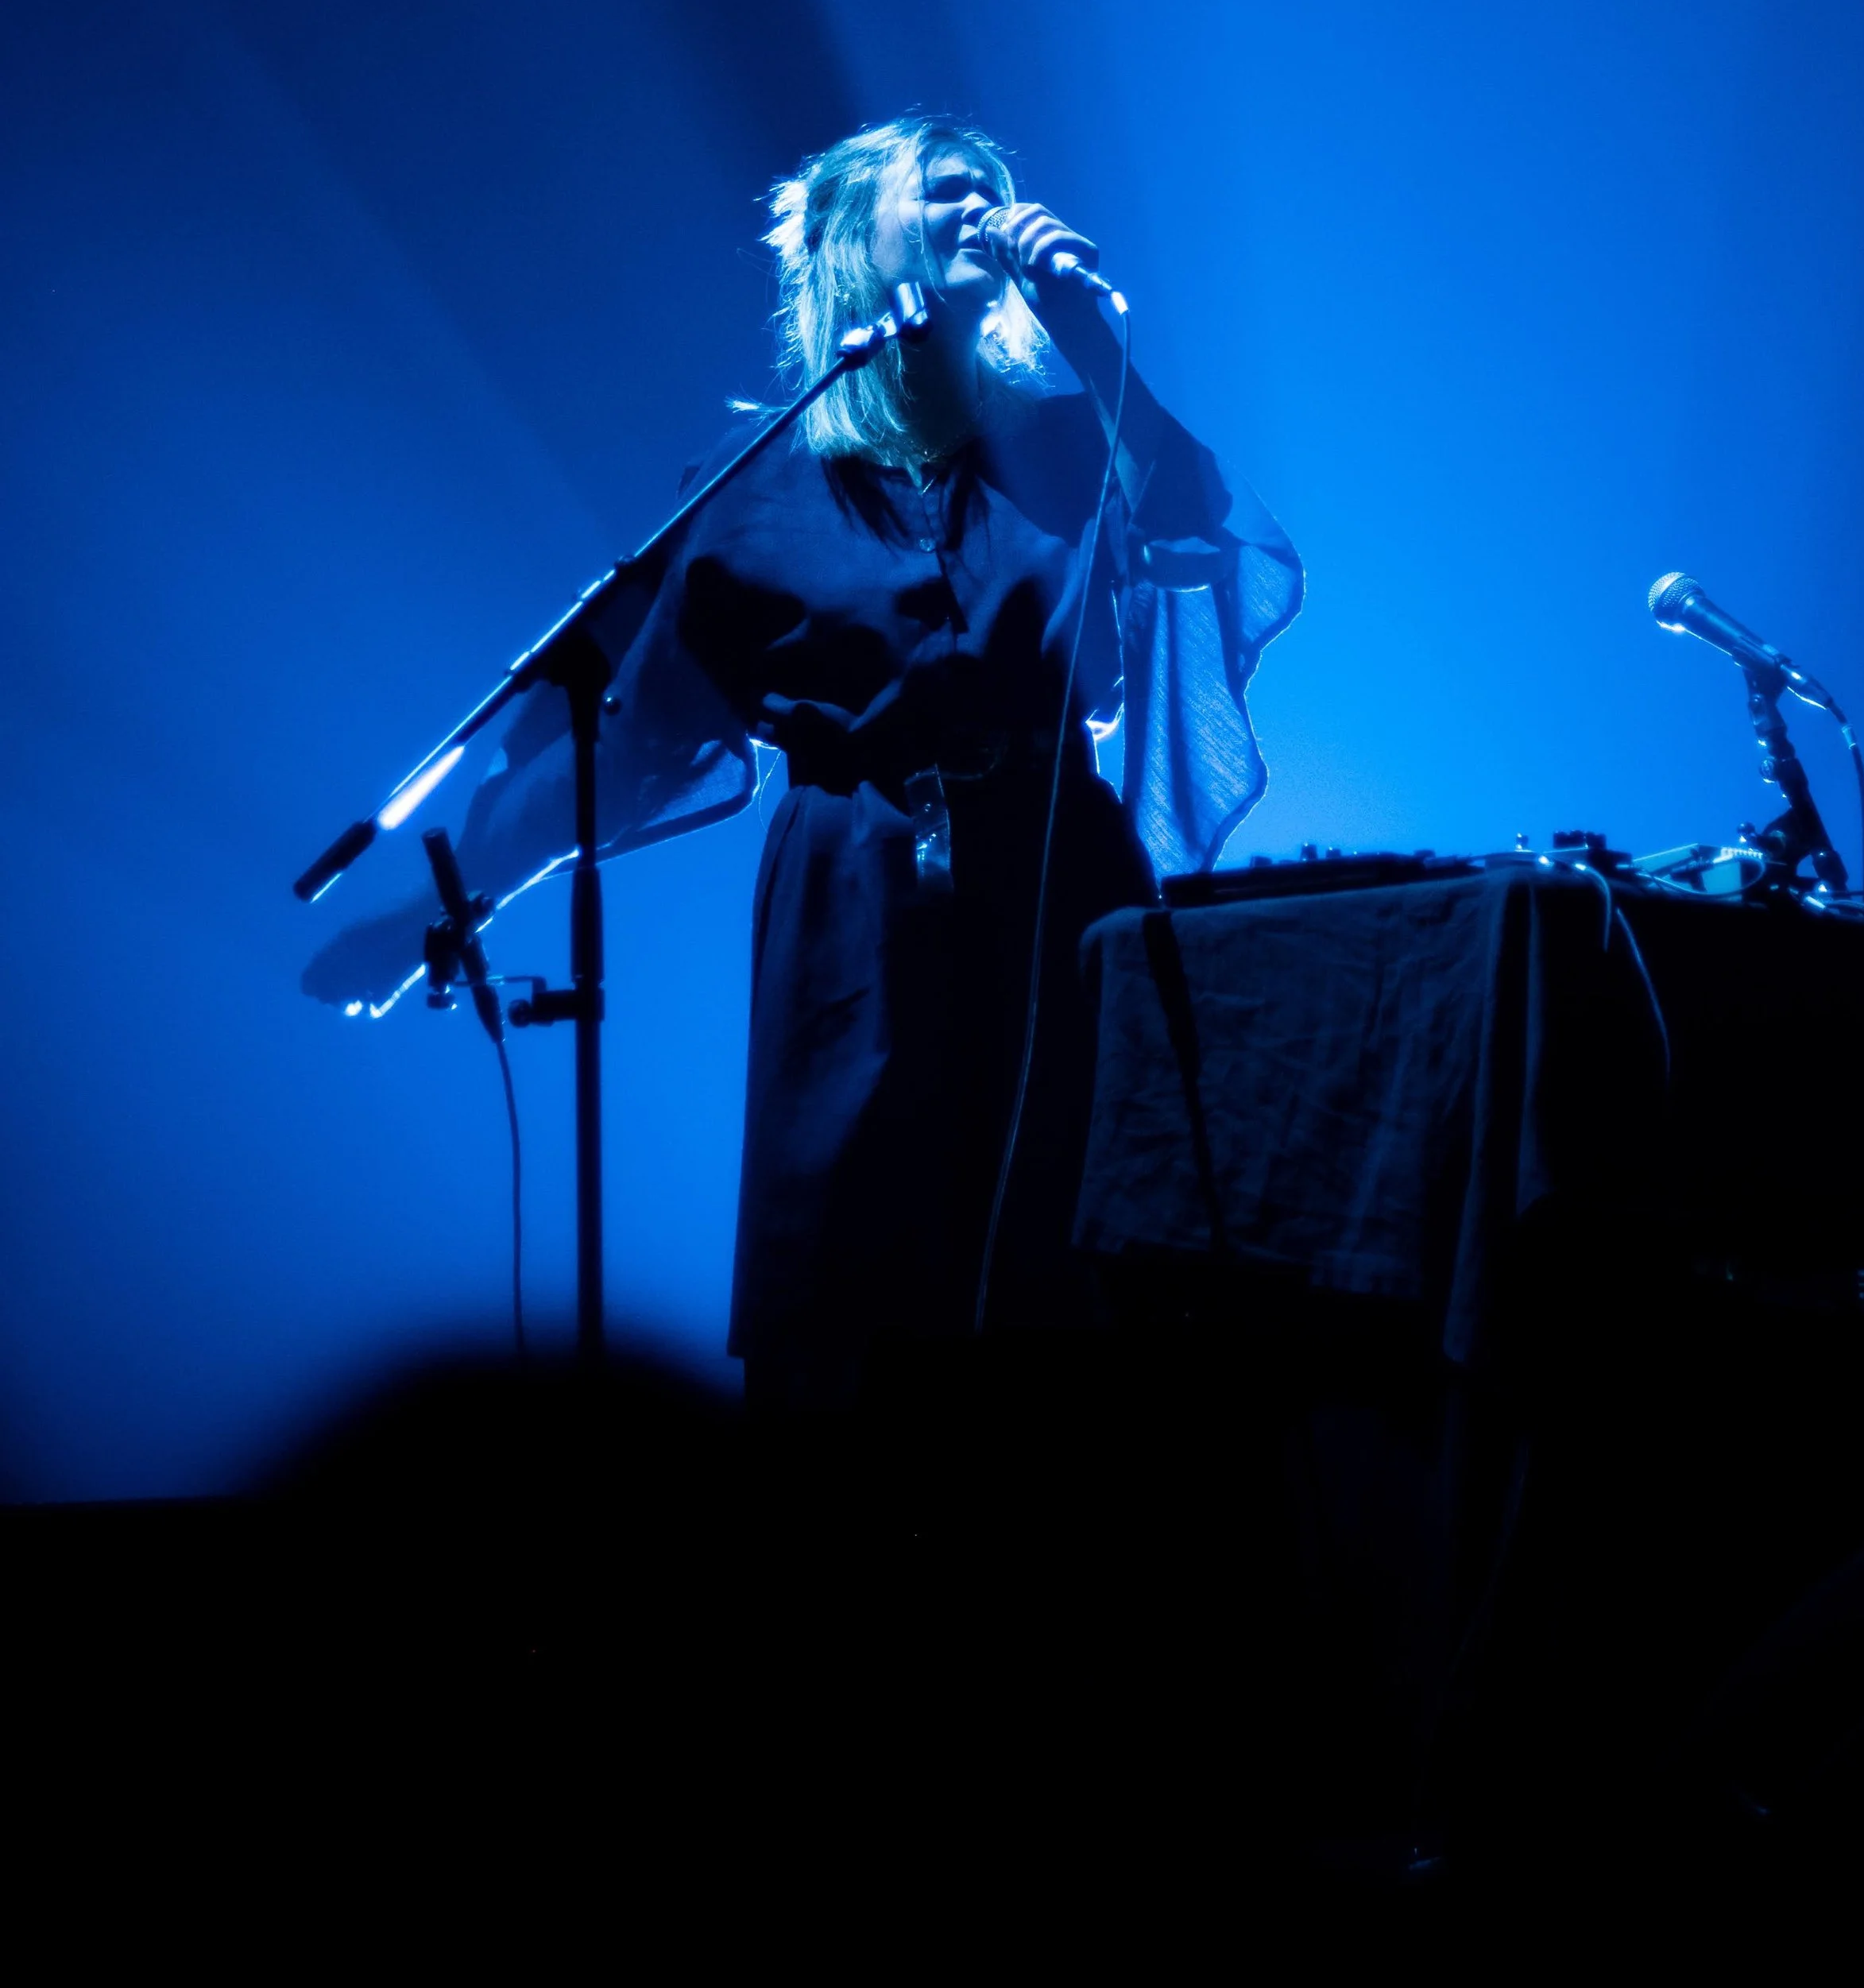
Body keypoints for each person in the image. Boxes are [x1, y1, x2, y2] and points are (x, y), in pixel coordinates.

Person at [306, 117, 1301, 1402]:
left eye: (997, 189)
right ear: (851, 235)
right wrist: (441, 905)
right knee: (863, 1277)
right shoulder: (756, 483)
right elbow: (633, 747)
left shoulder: (1068, 435)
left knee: (1085, 1270)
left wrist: (1088, 326)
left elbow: (1195, 528)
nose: (986, 207)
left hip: (1058, 879)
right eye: (947, 188)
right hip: (856, 906)